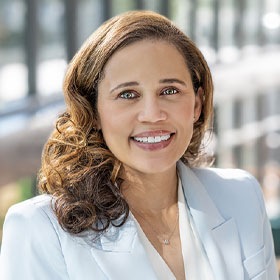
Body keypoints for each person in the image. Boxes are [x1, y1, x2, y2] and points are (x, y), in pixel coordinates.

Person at [0, 10, 278, 280]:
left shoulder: (242, 197)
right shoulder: (38, 229)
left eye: (170, 91)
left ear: (196, 104)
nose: (153, 114)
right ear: (94, 112)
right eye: (128, 94)